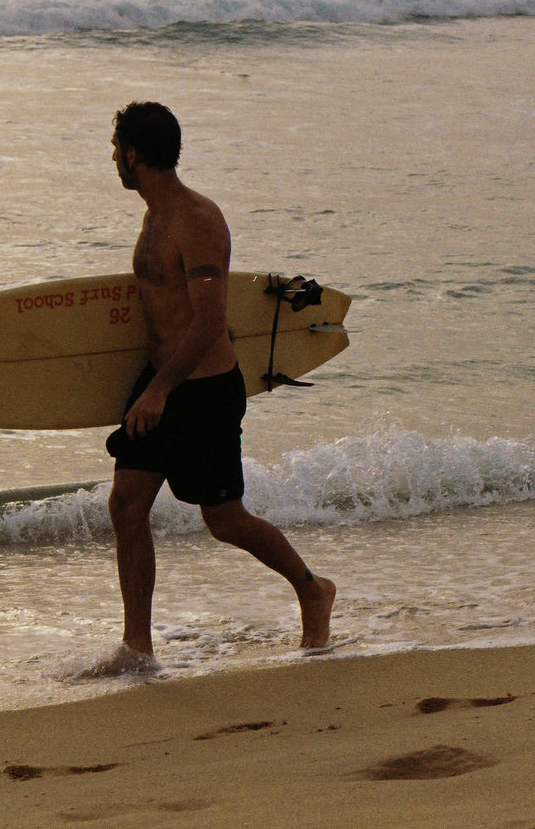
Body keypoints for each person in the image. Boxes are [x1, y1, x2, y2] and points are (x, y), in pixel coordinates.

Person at [102, 101, 335, 665]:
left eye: (116, 150)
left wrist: (159, 391)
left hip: (201, 389)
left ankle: (312, 588)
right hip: (160, 380)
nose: (113, 159)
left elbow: (208, 323)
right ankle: (138, 645)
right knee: (127, 504)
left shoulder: (196, 220)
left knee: (224, 521)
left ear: (134, 154)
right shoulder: (154, 215)